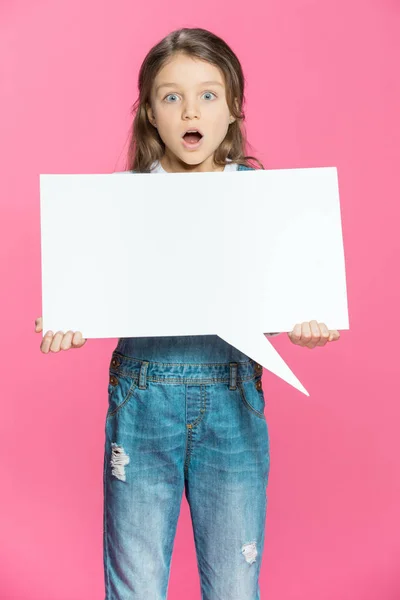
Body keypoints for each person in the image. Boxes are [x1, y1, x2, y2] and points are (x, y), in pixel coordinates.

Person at [35, 27, 340, 600]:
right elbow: (93, 294)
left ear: (232, 110)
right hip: (142, 398)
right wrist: (67, 318)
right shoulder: (121, 203)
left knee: (233, 580)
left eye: (208, 94)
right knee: (137, 580)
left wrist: (309, 323)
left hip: (233, 397)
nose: (189, 109)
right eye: (171, 96)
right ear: (150, 112)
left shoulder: (264, 201)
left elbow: (272, 299)